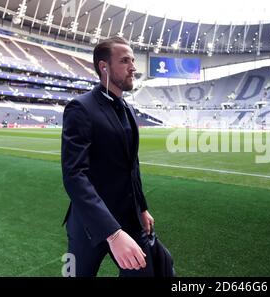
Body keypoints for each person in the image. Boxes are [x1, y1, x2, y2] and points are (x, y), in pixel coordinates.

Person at [61, 37, 155, 277]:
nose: (133, 66)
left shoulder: (129, 109)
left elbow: (131, 165)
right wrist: (112, 232)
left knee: (148, 271)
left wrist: (142, 207)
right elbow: (74, 176)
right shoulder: (80, 108)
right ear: (104, 67)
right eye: (125, 61)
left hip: (128, 219)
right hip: (87, 225)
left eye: (133, 60)